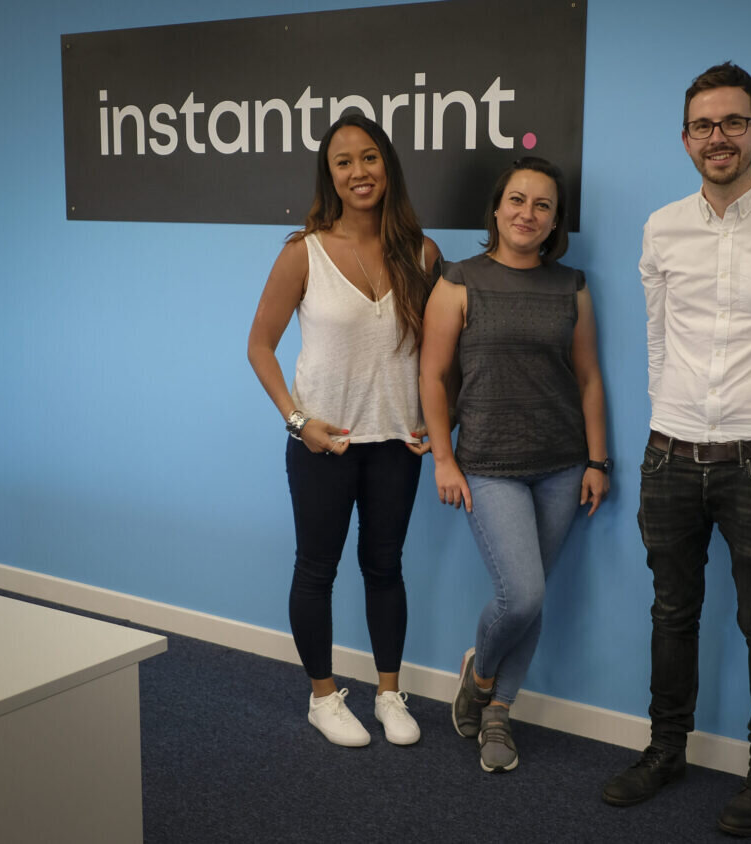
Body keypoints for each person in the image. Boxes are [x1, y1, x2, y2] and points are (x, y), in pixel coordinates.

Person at [600, 62, 751, 837]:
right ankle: (664, 751)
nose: (718, 137)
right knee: (671, 612)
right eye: (703, 125)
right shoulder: (660, 228)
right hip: (669, 453)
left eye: (733, 122)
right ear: (684, 139)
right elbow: (655, 338)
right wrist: (663, 421)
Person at [247, 113, 441, 748]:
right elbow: (259, 346)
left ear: (388, 166)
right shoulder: (301, 252)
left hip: (396, 444)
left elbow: (440, 355)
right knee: (317, 569)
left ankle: (389, 694)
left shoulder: (423, 253)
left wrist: (439, 423)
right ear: (329, 175)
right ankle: (323, 697)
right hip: (322, 444)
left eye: (370, 157)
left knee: (385, 568)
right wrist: (297, 421)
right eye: (344, 161)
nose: (359, 171)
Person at [419, 157, 611, 773]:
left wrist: (597, 460)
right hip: (487, 464)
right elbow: (432, 375)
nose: (528, 213)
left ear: (556, 222)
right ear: (497, 209)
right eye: (518, 200)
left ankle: (498, 710)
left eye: (543, 205)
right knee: (522, 596)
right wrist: (443, 459)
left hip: (561, 464)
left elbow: (588, 378)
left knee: (536, 597)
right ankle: (479, 677)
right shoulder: (458, 281)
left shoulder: (572, 286)